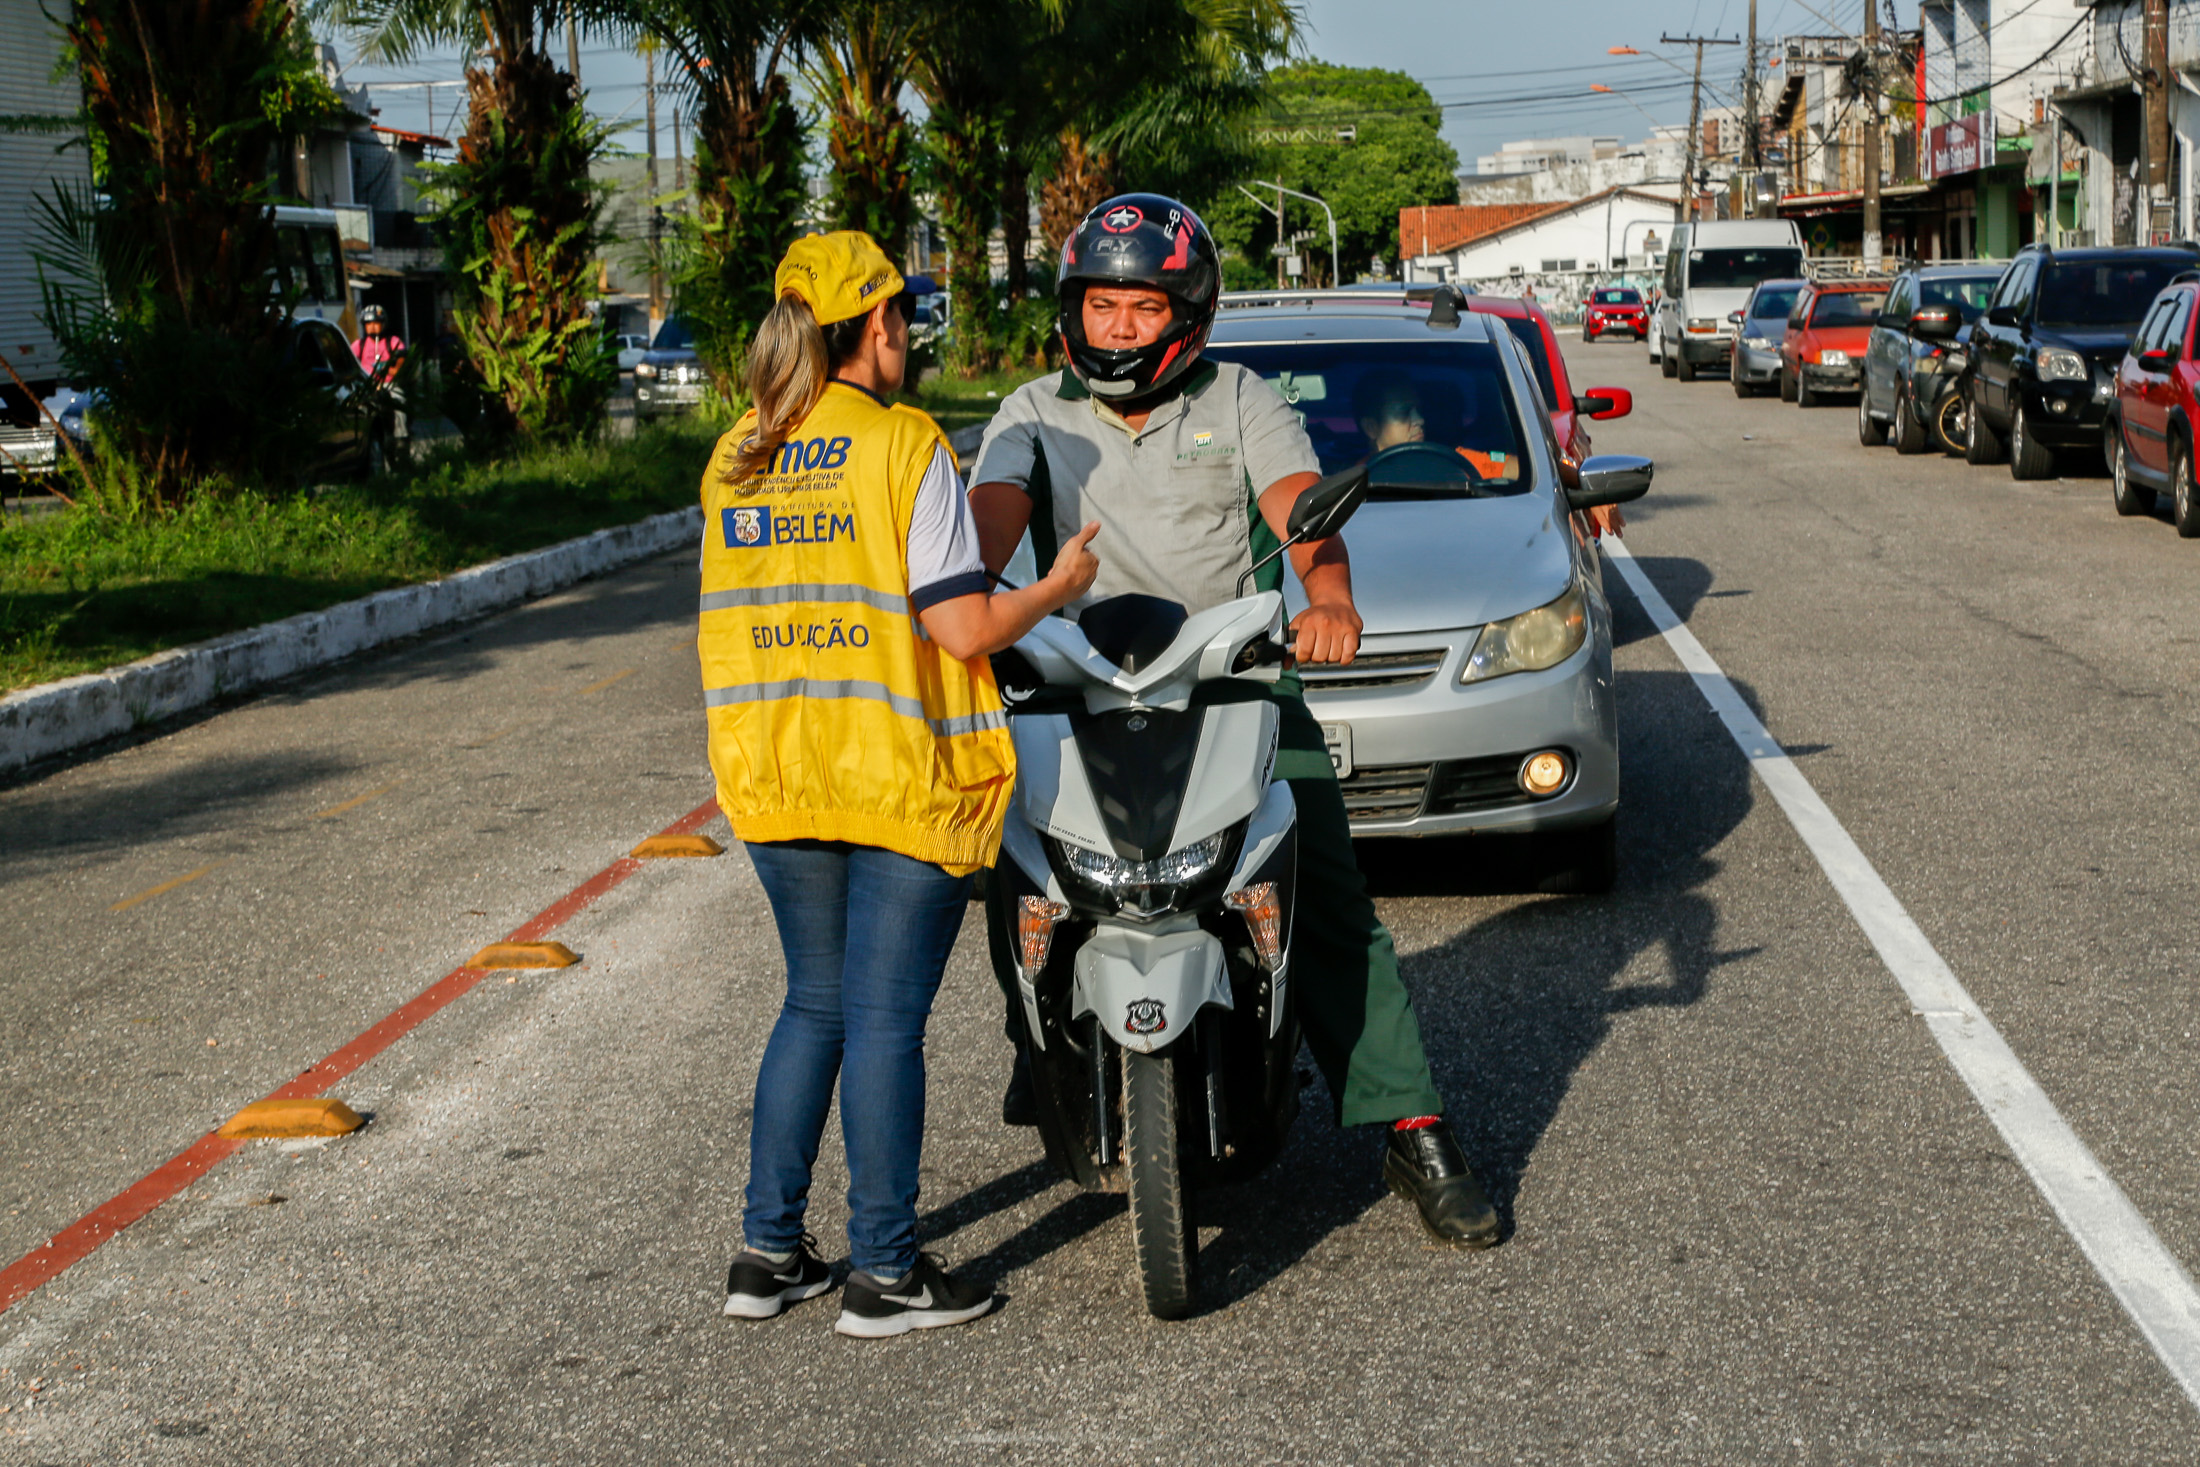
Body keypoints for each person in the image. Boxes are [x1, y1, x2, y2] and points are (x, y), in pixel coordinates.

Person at [968, 194, 1502, 1250]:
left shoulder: (1240, 396)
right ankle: (1040, 1045)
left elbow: (1299, 507)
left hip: (1235, 678)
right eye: (1102, 305)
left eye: (1144, 307)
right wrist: (965, 605)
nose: (1120, 327)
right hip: (1080, 685)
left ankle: (1411, 1122)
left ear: (1189, 315)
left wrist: (1329, 598)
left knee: (1325, 890)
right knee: (1015, 870)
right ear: (1072, 310)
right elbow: (980, 543)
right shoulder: (1031, 412)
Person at [698, 231, 1101, 1336]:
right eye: (904, 318)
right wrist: (1057, 584)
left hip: (779, 773)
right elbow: (962, 625)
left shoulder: (738, 451)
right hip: (894, 775)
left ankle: (767, 1255)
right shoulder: (903, 442)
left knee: (812, 1003)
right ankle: (883, 1271)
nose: (909, 338)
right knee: (882, 1023)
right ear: (877, 325)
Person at [352, 305, 404, 378]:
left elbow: (401, 369)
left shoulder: (393, 342)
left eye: (376, 323)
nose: (372, 326)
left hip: (388, 384)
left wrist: (386, 370)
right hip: (366, 383)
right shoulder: (358, 344)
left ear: (383, 324)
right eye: (368, 323)